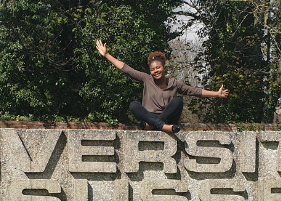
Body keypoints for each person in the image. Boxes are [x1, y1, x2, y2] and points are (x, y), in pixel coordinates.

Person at [95, 40, 229, 133]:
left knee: (178, 101)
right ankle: (161, 126)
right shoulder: (146, 79)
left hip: (167, 118)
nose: (156, 71)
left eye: (158, 68)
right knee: (133, 105)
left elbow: (195, 91)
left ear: (164, 68)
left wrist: (216, 94)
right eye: (153, 69)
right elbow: (126, 68)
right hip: (149, 116)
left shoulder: (174, 83)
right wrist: (106, 55)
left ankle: (153, 125)